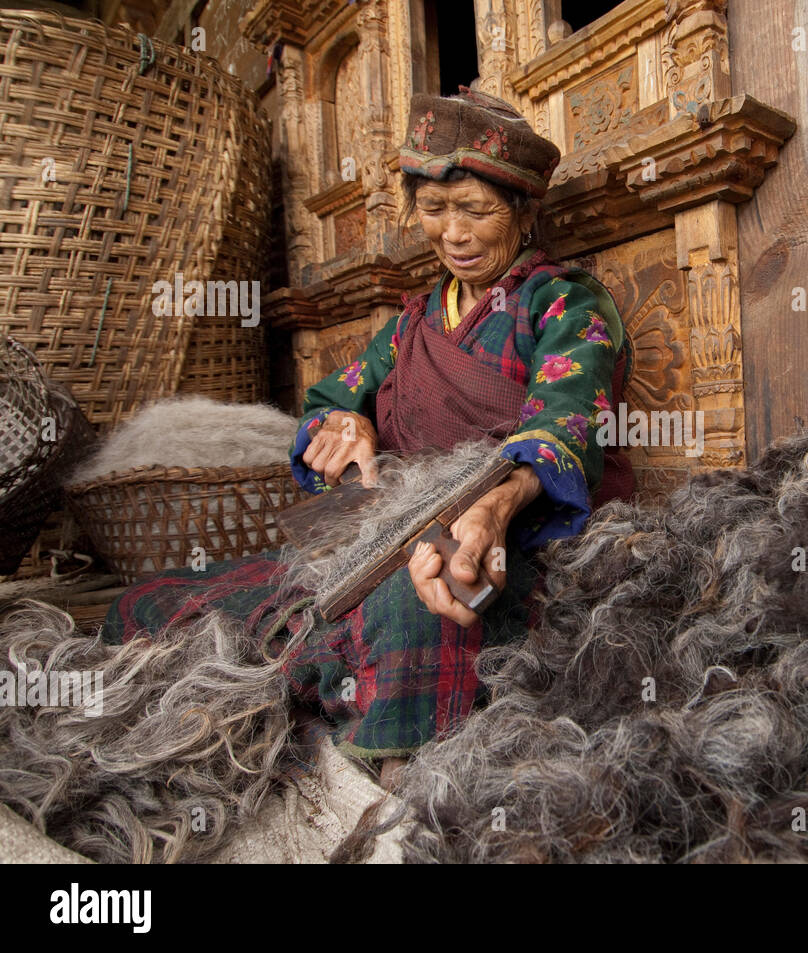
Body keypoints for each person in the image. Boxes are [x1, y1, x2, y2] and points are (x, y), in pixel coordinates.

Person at [102, 88, 635, 783]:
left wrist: (490, 510)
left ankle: (376, 742)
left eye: (475, 209)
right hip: (388, 539)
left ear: (524, 210)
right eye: (434, 209)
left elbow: (563, 420)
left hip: (521, 544)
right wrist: (343, 421)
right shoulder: (414, 323)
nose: (454, 234)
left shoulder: (565, 302)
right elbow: (328, 397)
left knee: (431, 604)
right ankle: (321, 663)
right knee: (158, 602)